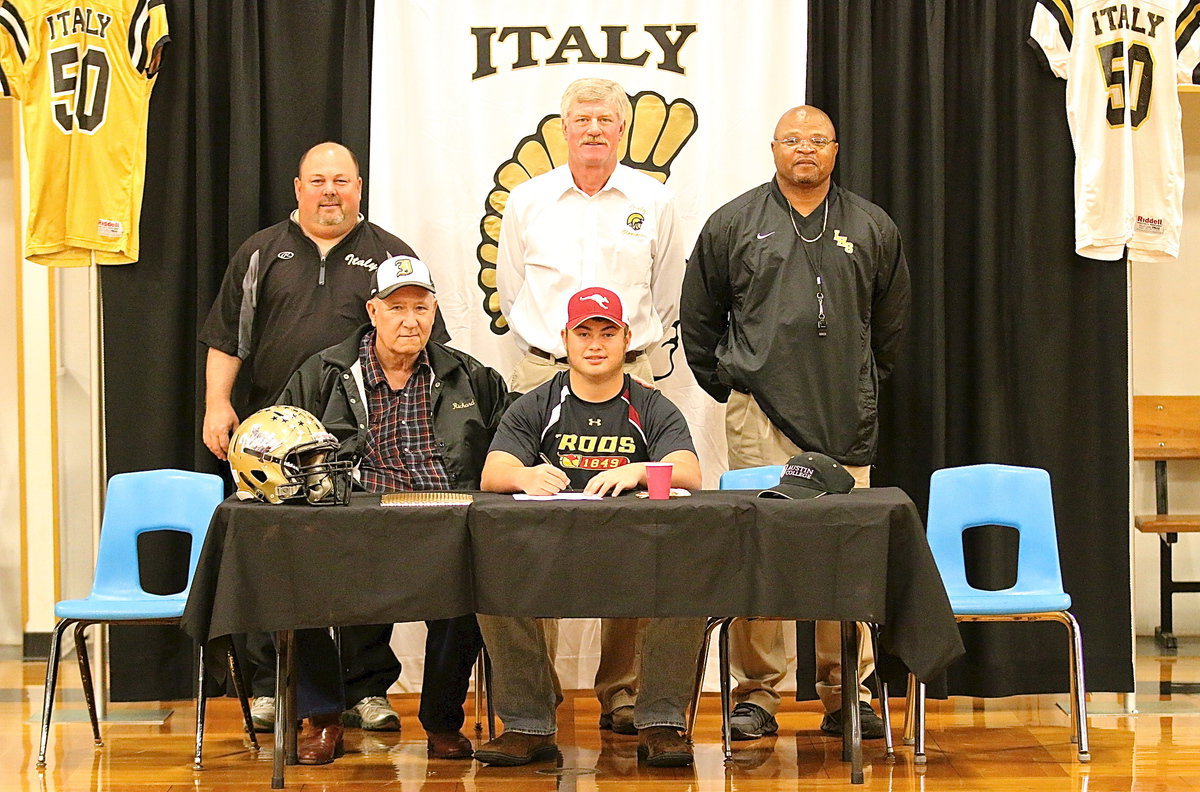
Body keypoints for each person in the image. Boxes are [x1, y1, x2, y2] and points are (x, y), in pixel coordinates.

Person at [198, 141, 446, 732]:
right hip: (271, 440)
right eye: (318, 180)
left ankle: (365, 690)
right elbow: (228, 337)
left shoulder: (389, 252)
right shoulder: (261, 252)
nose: (330, 191)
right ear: (297, 187)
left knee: (362, 561)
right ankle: (268, 686)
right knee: (273, 559)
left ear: (359, 186)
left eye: (341, 180)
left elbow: (419, 337)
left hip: (360, 434)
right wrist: (217, 404)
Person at [681, 106, 911, 741]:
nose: (804, 150)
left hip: (844, 418)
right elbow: (697, 317)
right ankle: (758, 694)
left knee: (850, 554)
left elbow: (888, 327)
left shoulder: (870, 226)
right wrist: (732, 383)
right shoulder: (734, 222)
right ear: (773, 148)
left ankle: (849, 693)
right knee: (761, 551)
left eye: (817, 141)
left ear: (835, 151)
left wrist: (860, 382)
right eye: (792, 140)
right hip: (759, 415)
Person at [495, 76, 686, 733]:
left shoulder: (654, 200)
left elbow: (663, 296)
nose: (596, 130)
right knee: (531, 536)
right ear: (565, 127)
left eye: (608, 119)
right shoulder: (527, 201)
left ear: (623, 130)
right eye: (584, 119)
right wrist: (562, 350)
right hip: (541, 371)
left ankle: (624, 690)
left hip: (627, 376)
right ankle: (535, 695)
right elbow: (512, 287)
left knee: (641, 534)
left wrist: (619, 351)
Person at [275, 255, 511, 764]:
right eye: (397, 307)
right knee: (298, 580)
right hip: (352, 519)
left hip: (445, 521)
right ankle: (323, 717)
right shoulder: (326, 372)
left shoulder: (471, 376)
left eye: (421, 308)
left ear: (433, 312)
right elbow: (281, 441)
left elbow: (509, 446)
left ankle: (442, 721)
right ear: (373, 311)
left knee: (473, 587)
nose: (410, 320)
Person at [473, 286, 704, 768]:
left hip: (634, 555)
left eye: (606, 332)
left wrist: (637, 470)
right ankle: (527, 725)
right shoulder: (538, 403)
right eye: (584, 333)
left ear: (626, 340)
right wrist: (525, 475)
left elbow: (689, 471)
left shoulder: (650, 404)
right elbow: (492, 473)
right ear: (565, 340)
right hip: (550, 556)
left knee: (689, 582)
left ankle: (661, 721)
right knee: (493, 586)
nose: (595, 344)